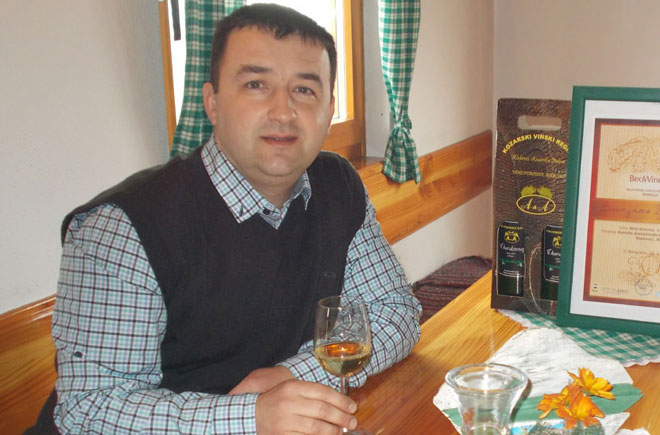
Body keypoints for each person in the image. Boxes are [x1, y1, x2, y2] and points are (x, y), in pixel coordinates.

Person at [41, 4, 421, 434]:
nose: (283, 111)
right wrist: (252, 416)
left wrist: (292, 376)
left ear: (328, 109)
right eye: (256, 84)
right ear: (213, 103)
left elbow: (395, 312)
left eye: (304, 90)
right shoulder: (121, 229)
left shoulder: (337, 184)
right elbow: (88, 409)